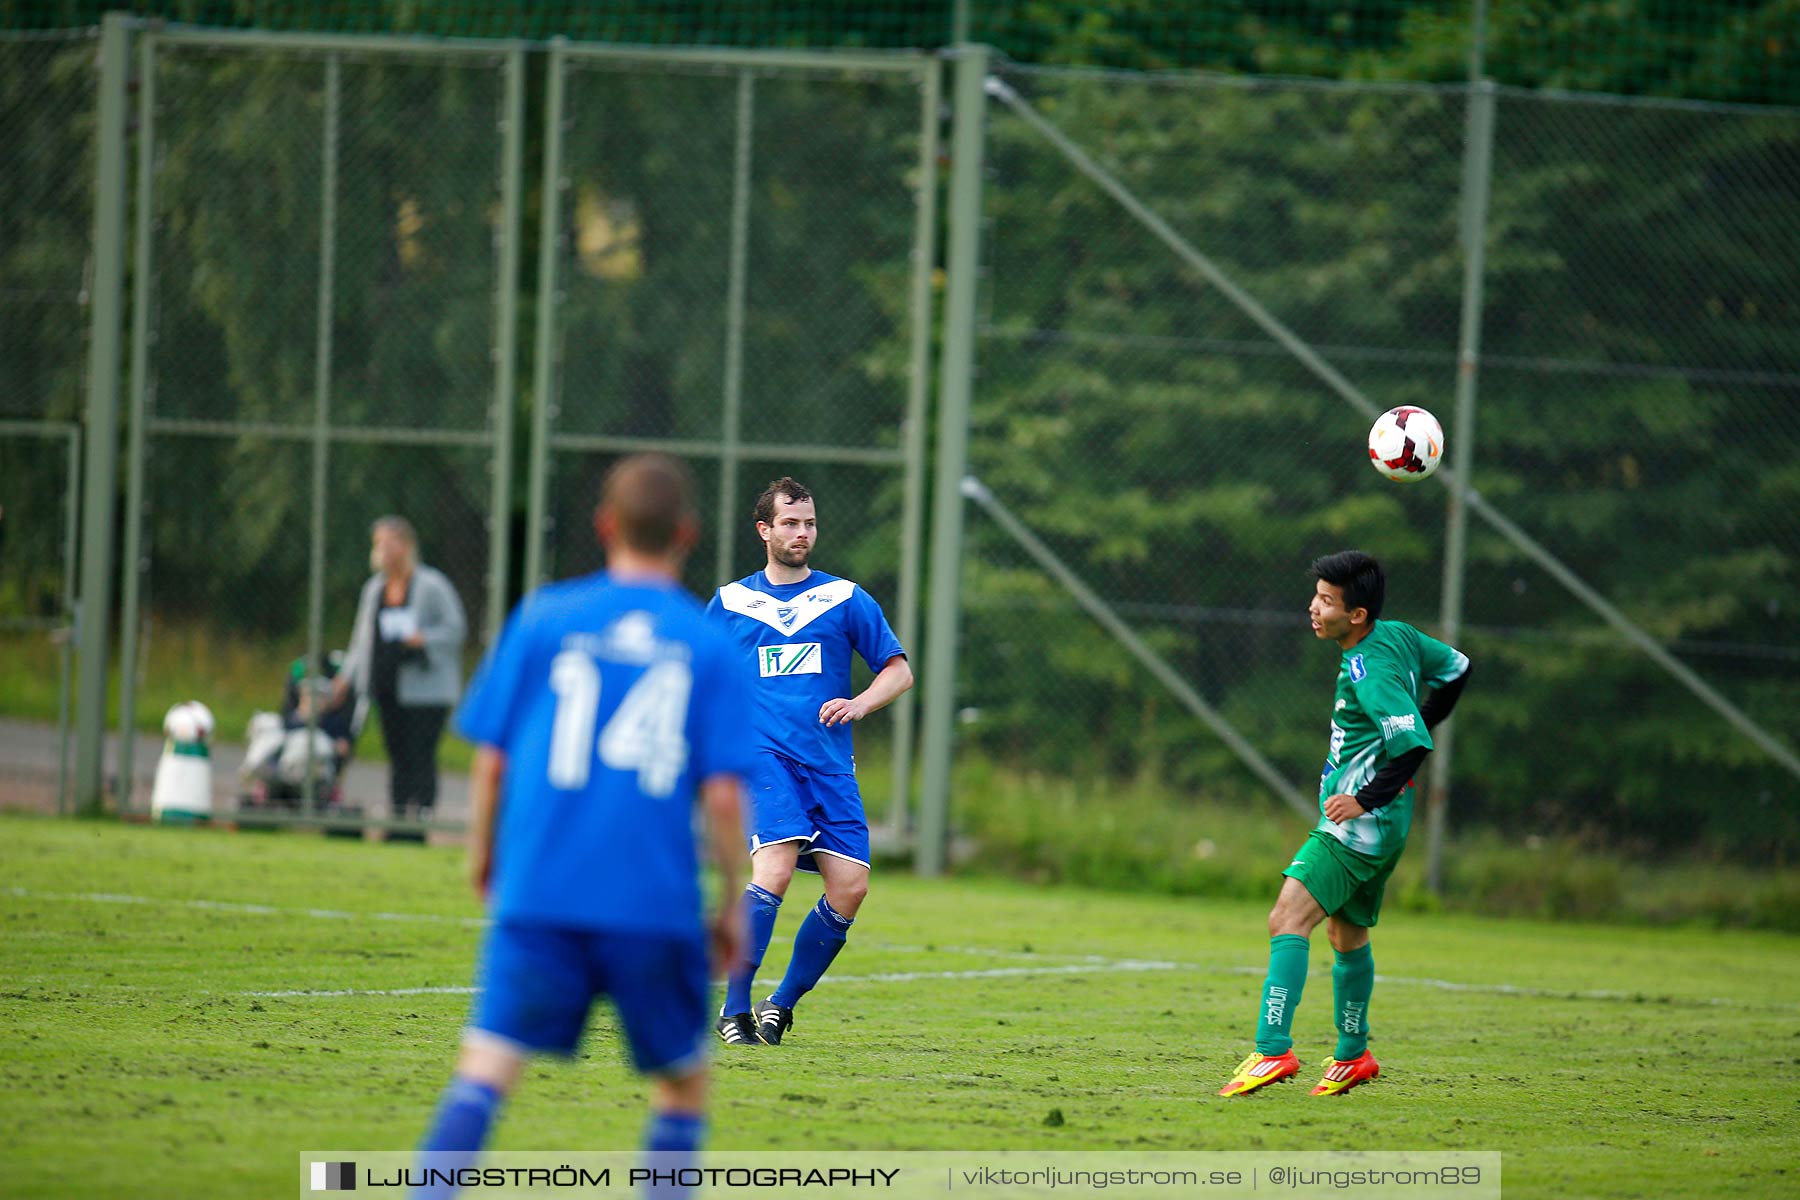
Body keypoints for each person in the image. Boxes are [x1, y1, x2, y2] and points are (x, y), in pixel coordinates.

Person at [410, 454, 751, 1198]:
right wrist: (732, 901)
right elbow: (724, 798)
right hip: (652, 905)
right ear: (687, 534)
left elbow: (492, 764)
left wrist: (482, 855)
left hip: (541, 890)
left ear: (604, 526)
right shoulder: (707, 644)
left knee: (488, 1068)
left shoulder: (543, 618)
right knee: (682, 1086)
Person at [1219, 550, 1472, 1098]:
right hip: (1390, 825)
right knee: (1346, 932)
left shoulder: (1371, 668)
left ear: (1356, 615)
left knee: (1287, 917)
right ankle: (1353, 1055)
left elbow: (1411, 744)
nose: (1313, 608)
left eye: (1327, 602)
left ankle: (1271, 1050)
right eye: (1315, 596)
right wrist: (1423, 718)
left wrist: (1363, 797)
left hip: (1358, 828)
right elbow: (1458, 668)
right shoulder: (1398, 635)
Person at [707, 476, 913, 1048]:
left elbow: (898, 670)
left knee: (850, 888)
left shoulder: (845, 599)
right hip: (761, 758)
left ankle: (781, 1004)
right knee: (772, 871)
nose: (802, 533)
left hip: (828, 765)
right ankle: (733, 1009)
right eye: (791, 523)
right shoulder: (730, 603)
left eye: (810, 524)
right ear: (764, 530)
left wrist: (860, 702)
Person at [333, 516, 466, 820]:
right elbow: (362, 639)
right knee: (398, 757)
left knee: (421, 755)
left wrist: (424, 639)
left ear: (406, 546)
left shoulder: (431, 585)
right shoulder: (374, 589)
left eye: (390, 543)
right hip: (387, 684)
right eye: (379, 544)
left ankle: (419, 819)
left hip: (427, 690)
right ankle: (397, 821)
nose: (383, 550)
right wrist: (346, 678)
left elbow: (456, 628)